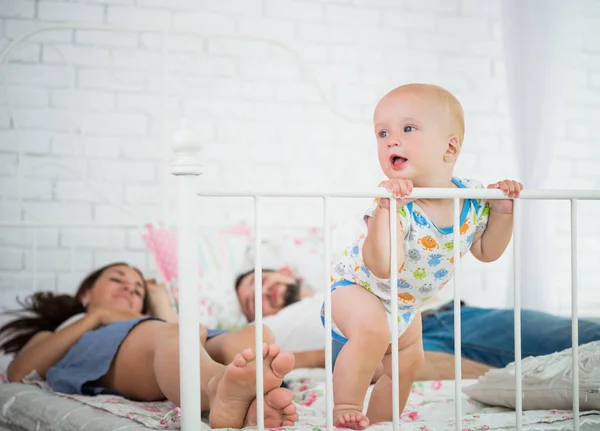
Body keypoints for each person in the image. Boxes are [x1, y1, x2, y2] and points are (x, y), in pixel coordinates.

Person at [323, 83, 523, 428]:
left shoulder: (472, 199)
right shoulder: (395, 203)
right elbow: (382, 266)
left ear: (449, 147)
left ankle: (381, 421)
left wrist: (503, 212)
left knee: (409, 361)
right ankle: (345, 406)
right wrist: (388, 212)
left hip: (404, 303)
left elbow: (487, 252)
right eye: (382, 132)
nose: (391, 140)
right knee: (371, 333)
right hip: (357, 288)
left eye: (408, 128)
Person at [0, 262, 298, 429]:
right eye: (118, 280)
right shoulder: (69, 327)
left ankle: (245, 405)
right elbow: (18, 373)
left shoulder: (151, 322)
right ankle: (217, 387)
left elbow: (179, 332)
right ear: (86, 293)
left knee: (253, 336)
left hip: (169, 342)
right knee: (177, 335)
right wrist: (98, 315)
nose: (130, 287)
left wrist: (159, 302)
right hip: (123, 348)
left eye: (138, 287)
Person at [235, 268, 600, 380]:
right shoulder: (274, 326)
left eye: (263, 280)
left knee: (585, 337)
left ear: (284, 273)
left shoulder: (338, 271)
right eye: (251, 300)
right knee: (518, 383)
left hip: (444, 319)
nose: (264, 293)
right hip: (392, 357)